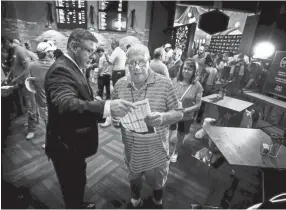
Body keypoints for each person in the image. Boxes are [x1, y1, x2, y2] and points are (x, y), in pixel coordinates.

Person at [44, 28, 135, 209]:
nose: (92, 57)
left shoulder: (71, 66)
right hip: (65, 145)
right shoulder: (60, 69)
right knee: (71, 185)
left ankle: (78, 203)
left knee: (77, 180)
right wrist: (106, 107)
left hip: (73, 143)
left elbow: (79, 99)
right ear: (73, 46)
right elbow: (65, 104)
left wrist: (97, 105)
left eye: (93, 52)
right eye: (88, 51)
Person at [112, 44, 184, 208]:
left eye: (141, 62)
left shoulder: (165, 84)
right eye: (132, 63)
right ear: (127, 64)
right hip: (131, 148)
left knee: (158, 183)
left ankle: (157, 202)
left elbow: (179, 112)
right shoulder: (119, 85)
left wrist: (163, 117)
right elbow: (115, 113)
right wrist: (116, 120)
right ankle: (136, 200)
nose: (136, 67)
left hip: (156, 150)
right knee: (134, 178)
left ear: (149, 61)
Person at [169, 58, 203, 162]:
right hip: (173, 114)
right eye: (185, 68)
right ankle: (169, 150)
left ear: (194, 72)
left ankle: (175, 151)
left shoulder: (197, 86)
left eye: (189, 69)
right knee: (170, 135)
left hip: (186, 116)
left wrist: (186, 110)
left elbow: (198, 105)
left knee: (180, 136)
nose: (186, 71)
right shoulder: (174, 81)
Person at [4, 38, 38, 140]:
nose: (3, 49)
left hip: (27, 82)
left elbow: (28, 67)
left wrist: (16, 79)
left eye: (3, 46)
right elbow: (14, 67)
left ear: (6, 42)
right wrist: (8, 76)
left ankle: (32, 129)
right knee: (29, 104)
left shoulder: (20, 50)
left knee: (30, 105)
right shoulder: (13, 51)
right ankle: (33, 121)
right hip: (21, 82)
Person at [28, 42, 55, 148]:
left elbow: (31, 83)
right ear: (47, 53)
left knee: (47, 122)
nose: (52, 52)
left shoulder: (32, 65)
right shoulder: (56, 65)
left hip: (42, 101)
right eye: (51, 51)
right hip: (56, 100)